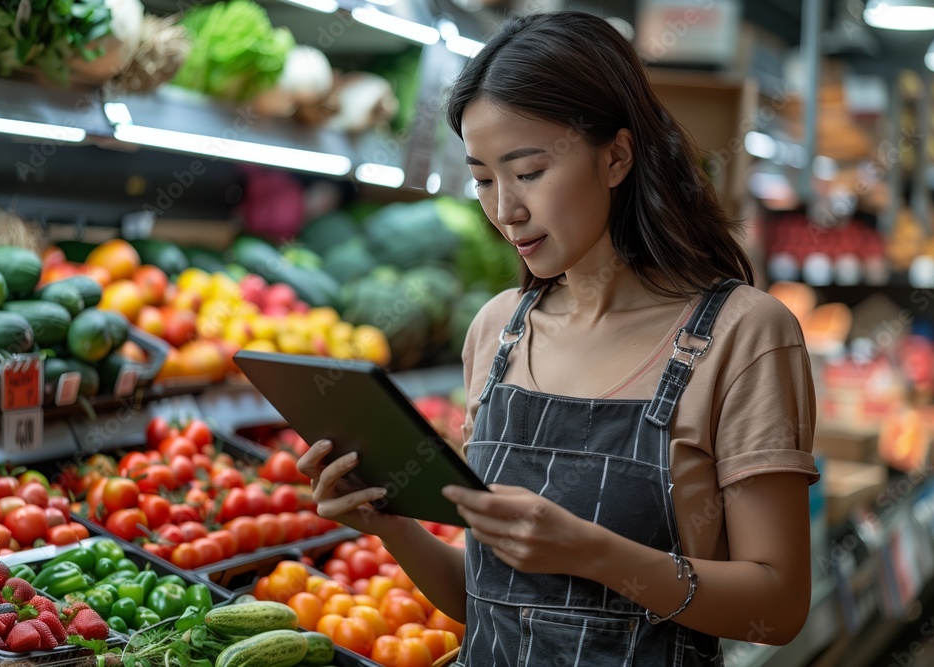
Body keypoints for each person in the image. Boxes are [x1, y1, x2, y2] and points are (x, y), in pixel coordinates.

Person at [298, 10, 819, 666]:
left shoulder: (744, 335)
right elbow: (482, 598)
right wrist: (389, 525)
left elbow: (777, 607)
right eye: (484, 179)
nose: (505, 209)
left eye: (530, 171)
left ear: (616, 157)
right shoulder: (496, 330)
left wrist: (593, 551)